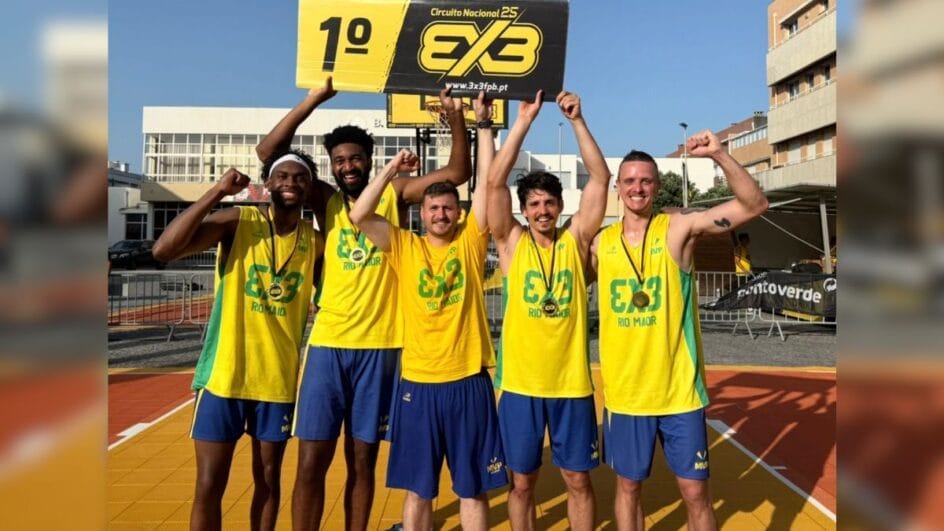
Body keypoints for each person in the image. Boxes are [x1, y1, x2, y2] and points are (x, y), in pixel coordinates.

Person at [254, 78, 473, 531]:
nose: (348, 166)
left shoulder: (396, 192)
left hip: (382, 347)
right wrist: (314, 99)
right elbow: (269, 153)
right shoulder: (324, 199)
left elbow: (456, 172)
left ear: (369, 160)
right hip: (329, 345)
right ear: (331, 167)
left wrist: (455, 115)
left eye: (355, 158)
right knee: (311, 460)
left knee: (362, 461)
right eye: (339, 160)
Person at [591, 132, 768, 531]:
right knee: (628, 488)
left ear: (657, 186)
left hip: (679, 393)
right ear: (617, 187)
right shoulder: (600, 244)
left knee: (695, 492)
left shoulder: (678, 229)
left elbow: (754, 205)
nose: (637, 188)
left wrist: (720, 154)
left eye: (646, 181)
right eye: (629, 181)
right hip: (626, 395)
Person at [350, 93, 506, 531]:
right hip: (418, 384)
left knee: (472, 489)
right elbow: (360, 213)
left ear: (458, 212)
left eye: (448, 207)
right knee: (418, 491)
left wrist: (484, 126)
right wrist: (391, 170)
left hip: (468, 381)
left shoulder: (470, 242)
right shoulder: (404, 245)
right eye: (433, 208)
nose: (441, 214)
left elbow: (488, 184)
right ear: (421, 214)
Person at [152, 152, 322, 531]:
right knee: (209, 483)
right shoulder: (238, 221)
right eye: (282, 176)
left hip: (276, 380)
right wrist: (217, 192)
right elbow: (163, 250)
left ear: (310, 188)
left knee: (269, 481)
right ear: (268, 183)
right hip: (224, 376)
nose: (290, 183)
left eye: (300, 178)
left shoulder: (315, 242)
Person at [485, 90, 610, 531]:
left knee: (578, 480)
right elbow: (494, 184)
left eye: (549, 203)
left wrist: (577, 120)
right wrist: (523, 121)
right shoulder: (511, 242)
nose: (542, 211)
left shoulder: (575, 241)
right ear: (523, 210)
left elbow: (600, 179)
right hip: (521, 386)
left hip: (571, 385)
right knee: (521, 483)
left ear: (560, 207)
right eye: (534, 204)